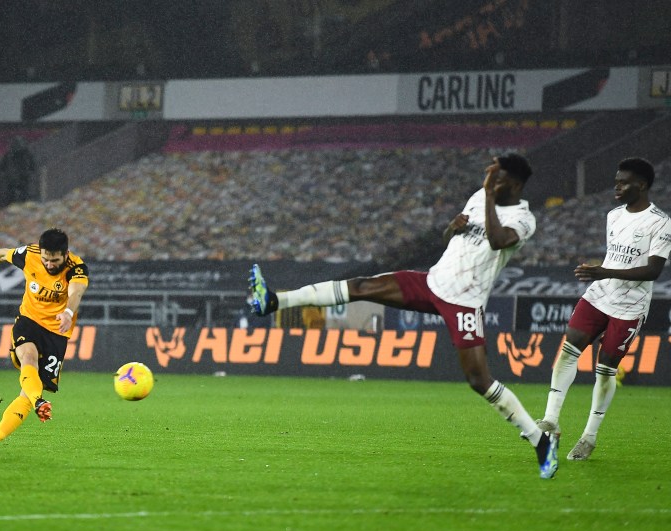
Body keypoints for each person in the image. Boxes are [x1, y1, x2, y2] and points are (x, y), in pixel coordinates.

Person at [249, 154, 560, 479]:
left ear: (517, 184)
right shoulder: (481, 196)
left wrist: (489, 195)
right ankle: (273, 301)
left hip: (465, 302)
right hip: (432, 282)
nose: (492, 183)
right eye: (491, 178)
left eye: (500, 179)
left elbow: (497, 241)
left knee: (479, 381)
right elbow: (449, 240)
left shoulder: (524, 219)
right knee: (362, 287)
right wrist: (451, 228)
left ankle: (540, 441)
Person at [536, 157, 670, 460]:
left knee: (606, 368)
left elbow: (653, 272)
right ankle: (551, 419)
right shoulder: (613, 215)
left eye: (624, 182)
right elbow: (616, 258)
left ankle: (589, 437)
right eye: (616, 181)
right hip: (599, 294)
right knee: (569, 348)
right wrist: (600, 271)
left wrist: (606, 271)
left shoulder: (660, 222)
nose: (617, 187)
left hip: (629, 306)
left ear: (642, 185)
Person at [0, 228, 89, 454]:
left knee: (27, 392)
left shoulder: (77, 268)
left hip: (57, 334)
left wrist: (68, 313)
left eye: (54, 260)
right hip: (29, 321)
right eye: (45, 258)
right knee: (28, 358)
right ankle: (39, 402)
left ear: (65, 255)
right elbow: (2, 254)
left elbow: (76, 293)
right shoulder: (30, 254)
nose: (49, 264)